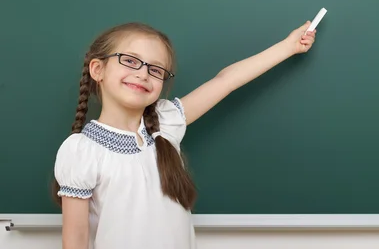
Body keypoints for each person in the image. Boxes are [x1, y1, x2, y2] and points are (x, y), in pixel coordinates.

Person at [52, 20, 317, 249]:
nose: (143, 74)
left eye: (155, 70)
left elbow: (224, 81)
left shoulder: (165, 124)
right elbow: (75, 239)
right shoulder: (82, 150)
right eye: (130, 61)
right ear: (98, 69)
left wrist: (288, 46)